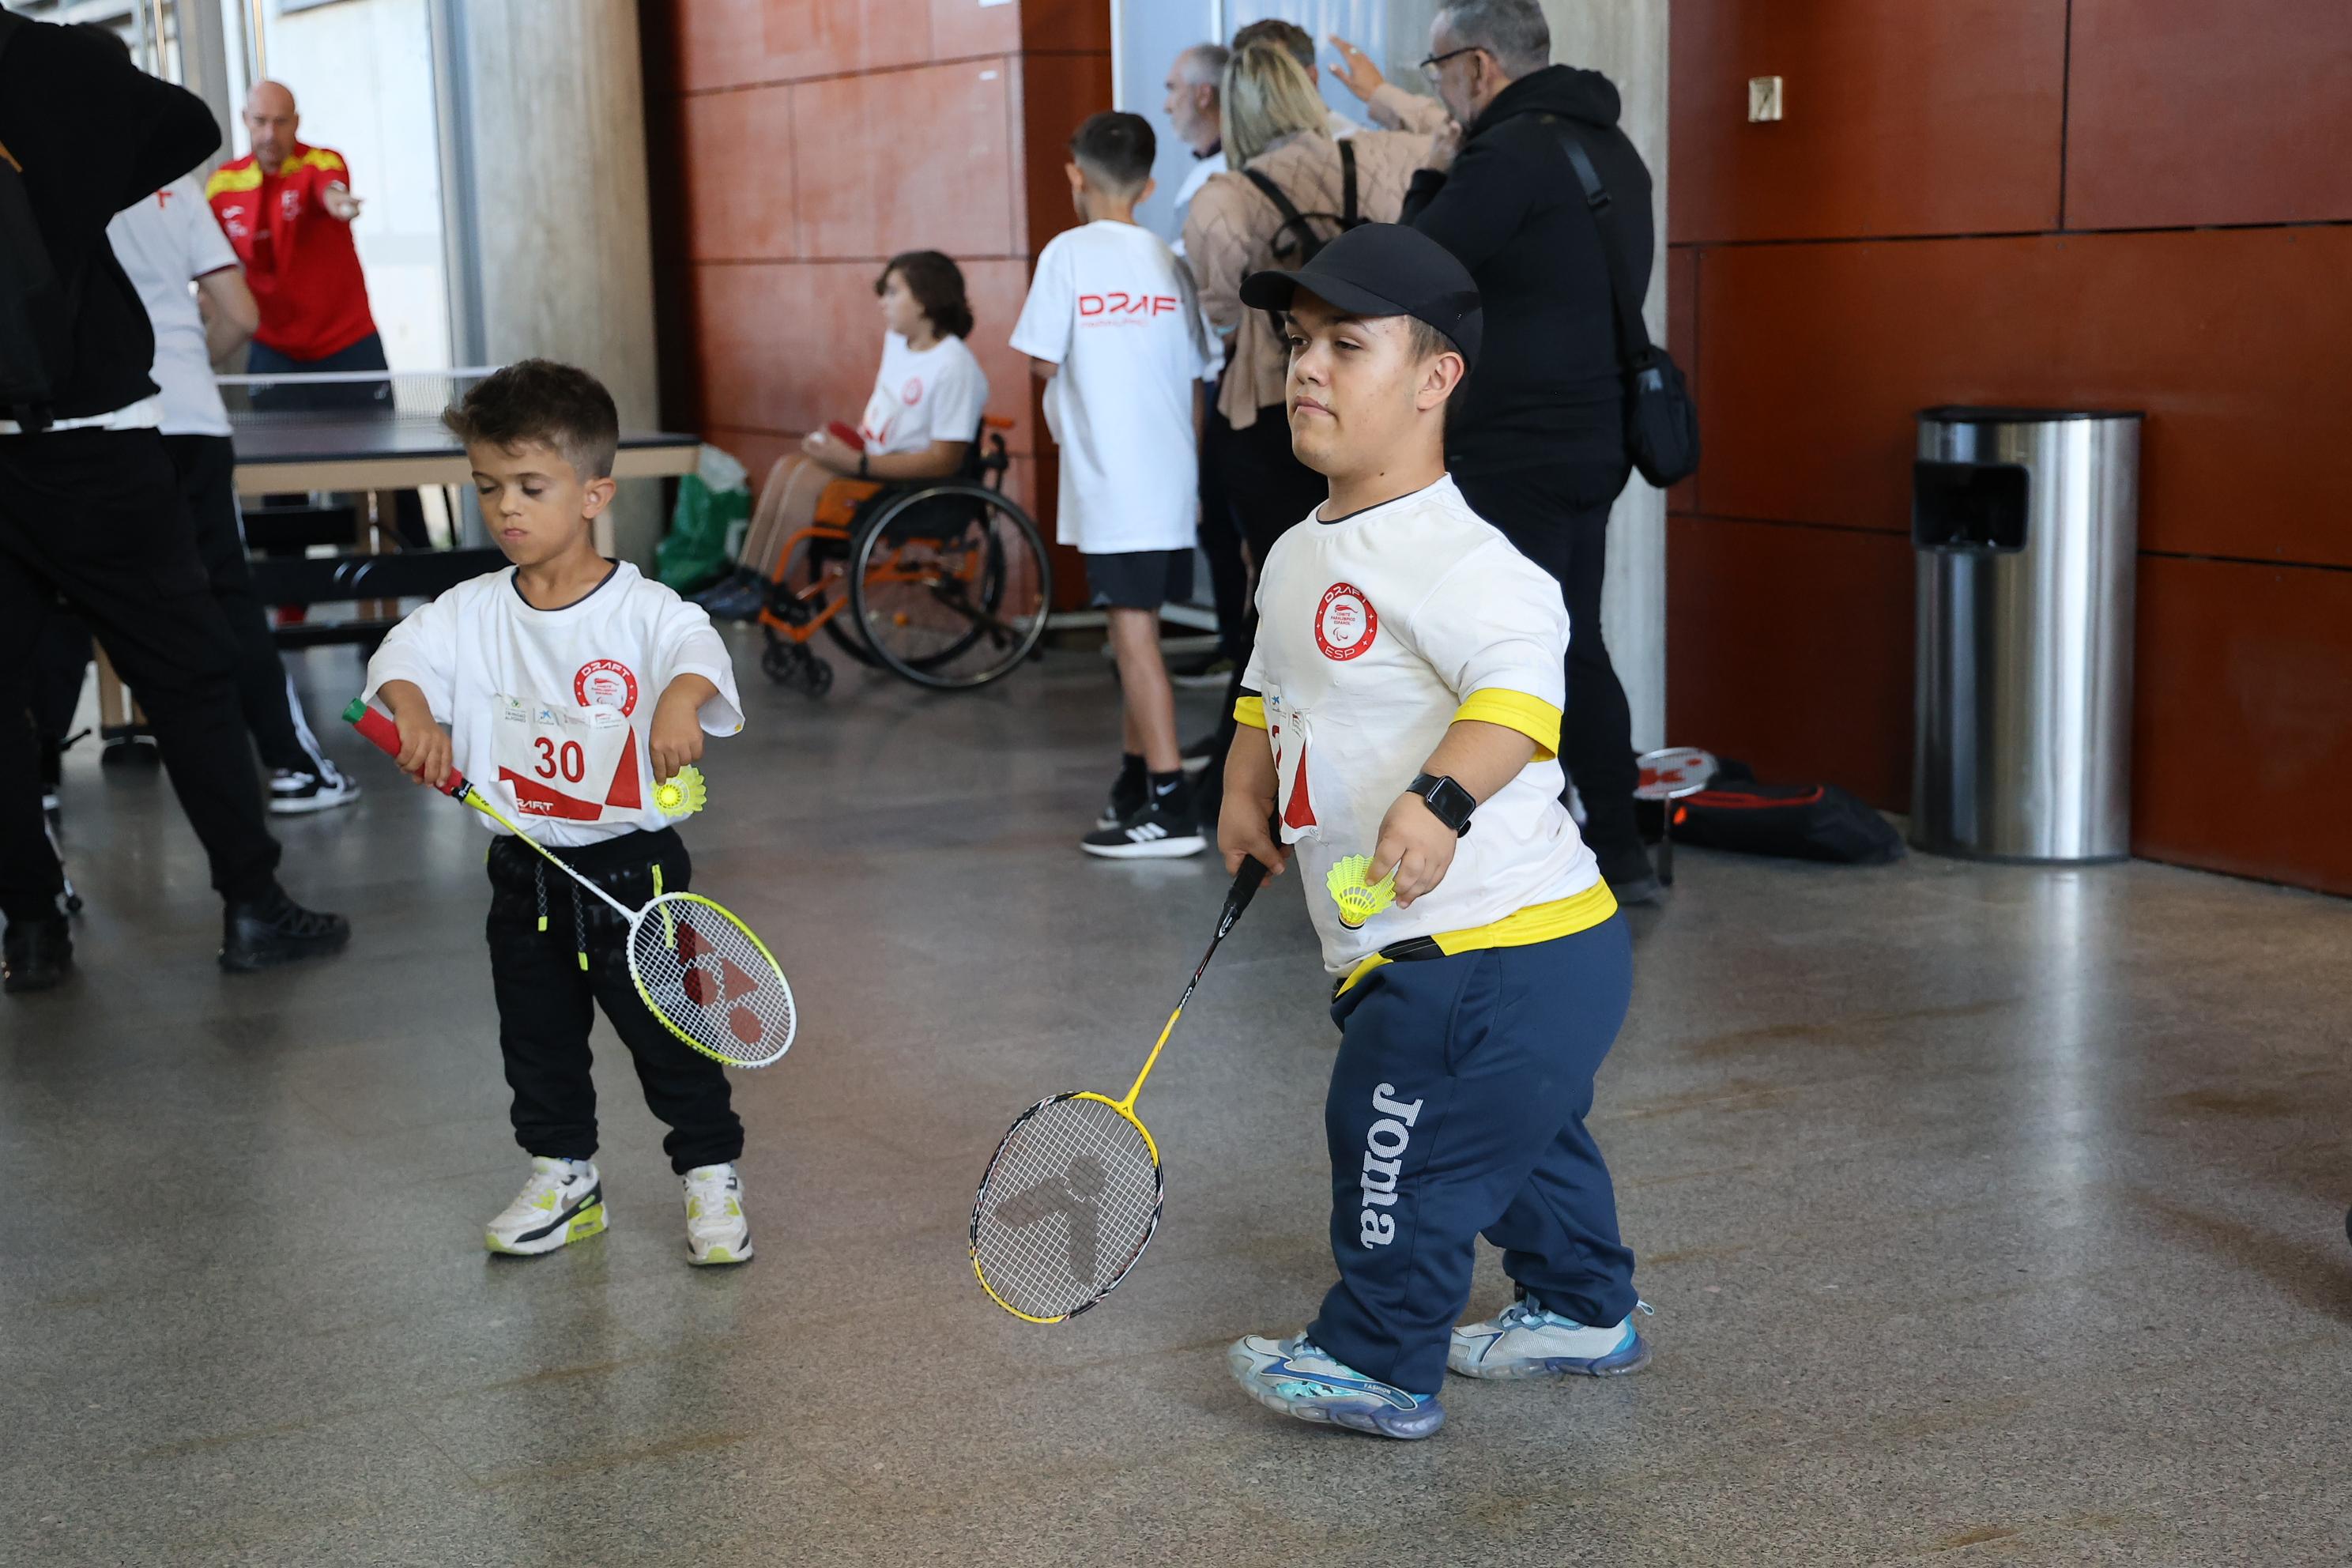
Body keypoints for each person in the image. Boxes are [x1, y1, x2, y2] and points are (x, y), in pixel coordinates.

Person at [1215, 224, 1643, 1441]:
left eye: (1346, 345)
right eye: (1299, 344)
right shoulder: (1301, 550)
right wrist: (1247, 783)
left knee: (1397, 1140)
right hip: (1489, 958)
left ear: (1435, 377)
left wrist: (1441, 798)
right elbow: (1269, 682)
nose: (1306, 369)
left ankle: (1379, 1357)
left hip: (1487, 950)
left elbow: (1521, 693)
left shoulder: (1463, 559)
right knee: (1522, 1143)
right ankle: (1582, 1308)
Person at [361, 360, 756, 1265]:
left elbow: (696, 647)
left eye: (531, 488)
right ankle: (565, 1175)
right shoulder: (470, 610)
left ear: (593, 493)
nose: (506, 508)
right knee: (535, 1039)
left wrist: (678, 701)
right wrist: (414, 711)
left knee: (669, 1037)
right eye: (488, 486)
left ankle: (708, 1174)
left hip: (632, 872)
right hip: (525, 870)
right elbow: (402, 657)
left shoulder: (642, 610)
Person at [0, 13, 350, 993]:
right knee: (190, 674)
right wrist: (77, 184)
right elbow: (189, 124)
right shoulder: (51, 61)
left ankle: (30, 927)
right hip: (93, 445)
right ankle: (252, 904)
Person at [1329, 1, 1666, 902]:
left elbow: (1409, 269)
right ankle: (1621, 845)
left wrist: (1432, 170)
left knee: (1503, 652)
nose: (1436, 88)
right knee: (1571, 638)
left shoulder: (1506, 155)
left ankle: (1492, 845)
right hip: (1595, 438)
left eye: (1437, 70)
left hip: (1517, 445)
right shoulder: (1611, 152)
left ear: (1477, 67)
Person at [77, 27, 356, 814]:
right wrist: (188, 358)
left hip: (89, 427)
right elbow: (237, 311)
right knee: (223, 595)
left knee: (68, 599)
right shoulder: (179, 184)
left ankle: (36, 794)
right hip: (188, 418)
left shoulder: (42, 177)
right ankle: (292, 766)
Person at [1182, 43, 1430, 824]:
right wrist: (1382, 92)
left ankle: (1240, 781)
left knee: (1281, 596)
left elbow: (1222, 311)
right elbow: (1454, 130)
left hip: (1268, 416)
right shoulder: (1395, 158)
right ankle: (1350, 766)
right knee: (1376, 586)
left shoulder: (1224, 195)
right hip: (1382, 416)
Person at [1011, 111, 1221, 860]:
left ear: (1075, 174)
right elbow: (1199, 379)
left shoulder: (1068, 254)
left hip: (1113, 481)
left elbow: (1040, 358)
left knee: (1132, 639)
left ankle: (1169, 804)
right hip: (1167, 481)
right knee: (1142, 631)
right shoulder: (1172, 263)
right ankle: (1137, 778)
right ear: (1151, 184)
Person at [696, 251, 988, 621]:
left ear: (926, 298)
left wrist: (858, 463)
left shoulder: (955, 366)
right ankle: (746, 580)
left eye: (893, 293)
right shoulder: (899, 342)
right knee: (789, 465)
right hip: (873, 458)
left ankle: (765, 590)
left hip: (910, 483)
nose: (883, 303)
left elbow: (944, 460)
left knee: (805, 479)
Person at [1160, 41, 1248, 702]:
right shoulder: (1201, 177)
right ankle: (1229, 643)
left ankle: (1246, 655)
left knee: (1237, 525)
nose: (1164, 103)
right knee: (1215, 522)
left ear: (1203, 95)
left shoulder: (1229, 180)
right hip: (1214, 373)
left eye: (1171, 89)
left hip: (1237, 375)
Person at [1231, 19, 1365, 141]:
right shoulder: (1227, 160)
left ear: (1311, 77)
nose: (1257, 92)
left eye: (1273, 77)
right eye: (1245, 79)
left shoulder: (1356, 149)